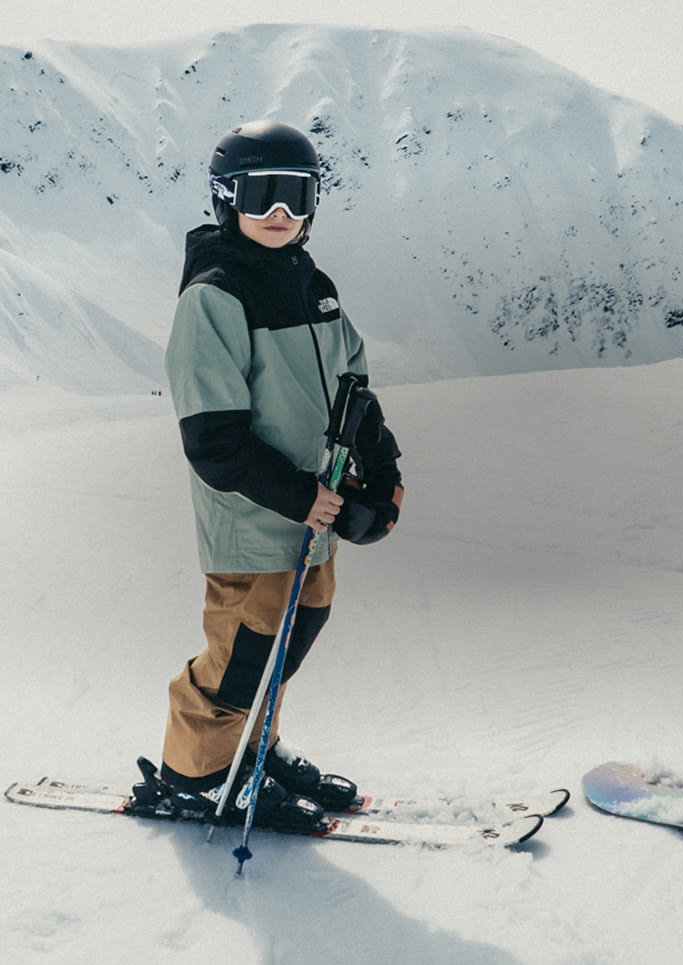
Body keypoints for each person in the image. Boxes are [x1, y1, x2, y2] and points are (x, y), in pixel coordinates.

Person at [154, 121, 403, 831]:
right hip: (258, 523)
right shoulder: (215, 296)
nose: (280, 215)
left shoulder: (309, 283)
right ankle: (197, 775)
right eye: (262, 196)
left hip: (311, 522)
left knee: (290, 638)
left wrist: (380, 475)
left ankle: (250, 748)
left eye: (296, 197)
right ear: (226, 198)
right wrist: (303, 498)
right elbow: (214, 442)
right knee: (241, 659)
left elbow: (354, 388)